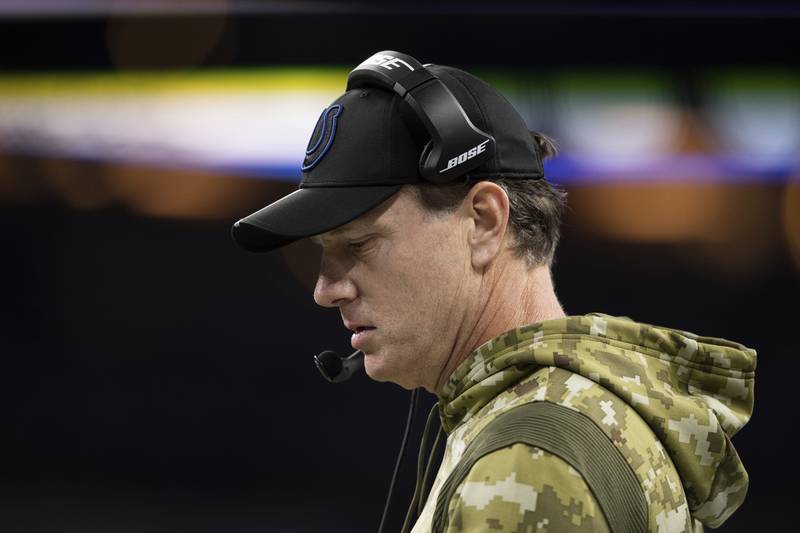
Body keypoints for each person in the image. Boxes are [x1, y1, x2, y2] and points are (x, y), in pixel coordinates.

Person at [231, 51, 756, 533]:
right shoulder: (565, 417)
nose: (325, 289)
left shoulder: (528, 464)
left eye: (360, 244)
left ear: (483, 222)